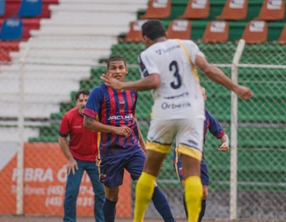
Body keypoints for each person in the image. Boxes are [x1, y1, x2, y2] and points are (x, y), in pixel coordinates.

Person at [100, 20, 253, 222]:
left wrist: (124, 85)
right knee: (192, 174)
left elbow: (154, 81)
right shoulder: (186, 45)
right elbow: (209, 69)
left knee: (149, 171)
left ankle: (138, 219)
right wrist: (236, 87)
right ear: (166, 32)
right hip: (192, 114)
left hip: (165, 114)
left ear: (145, 38)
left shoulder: (147, 54)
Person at [83, 56, 175, 222]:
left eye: (120, 68)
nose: (117, 71)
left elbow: (133, 120)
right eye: (113, 68)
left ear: (126, 70)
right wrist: (114, 129)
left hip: (133, 149)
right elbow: (87, 122)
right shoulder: (99, 92)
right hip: (110, 153)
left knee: (150, 183)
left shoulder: (132, 92)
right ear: (107, 71)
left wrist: (145, 150)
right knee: (112, 196)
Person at [173, 87, 229, 221]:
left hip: (199, 159)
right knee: (190, 188)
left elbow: (222, 134)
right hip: (183, 157)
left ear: (205, 98)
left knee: (203, 193)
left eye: (200, 95)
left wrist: (226, 142)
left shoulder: (207, 116)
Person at [58, 90, 105, 222]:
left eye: (87, 100)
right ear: (76, 102)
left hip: (96, 160)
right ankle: (69, 220)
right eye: (81, 101)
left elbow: (107, 134)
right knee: (71, 193)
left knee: (101, 193)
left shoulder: (98, 115)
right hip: (76, 160)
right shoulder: (68, 117)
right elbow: (61, 139)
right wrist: (70, 159)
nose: (84, 103)